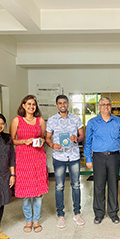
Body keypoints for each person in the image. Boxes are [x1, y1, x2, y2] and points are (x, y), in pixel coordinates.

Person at [84, 97, 120, 224]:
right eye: (103, 104)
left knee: (113, 185)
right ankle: (99, 213)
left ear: (111, 106)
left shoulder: (119, 121)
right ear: (99, 107)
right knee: (99, 185)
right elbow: (88, 142)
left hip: (114, 156)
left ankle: (113, 213)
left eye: (108, 104)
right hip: (98, 157)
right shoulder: (92, 122)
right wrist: (88, 158)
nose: (106, 107)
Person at [10, 95, 48, 233]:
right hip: (22, 159)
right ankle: (28, 220)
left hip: (38, 157)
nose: (32, 106)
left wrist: (42, 141)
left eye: (34, 104)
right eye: (29, 104)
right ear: (23, 105)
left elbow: (42, 137)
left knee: (38, 192)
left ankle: (36, 220)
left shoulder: (40, 121)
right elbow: (12, 140)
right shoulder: (17, 120)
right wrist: (23, 141)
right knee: (26, 192)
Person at [45, 95, 85, 228]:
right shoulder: (51, 120)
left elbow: (82, 136)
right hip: (59, 157)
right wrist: (52, 145)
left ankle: (77, 213)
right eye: (60, 103)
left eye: (64, 103)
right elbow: (48, 138)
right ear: (56, 105)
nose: (62, 105)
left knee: (76, 185)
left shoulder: (75, 118)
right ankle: (60, 215)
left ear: (68, 104)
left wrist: (76, 138)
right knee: (59, 186)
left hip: (73, 156)